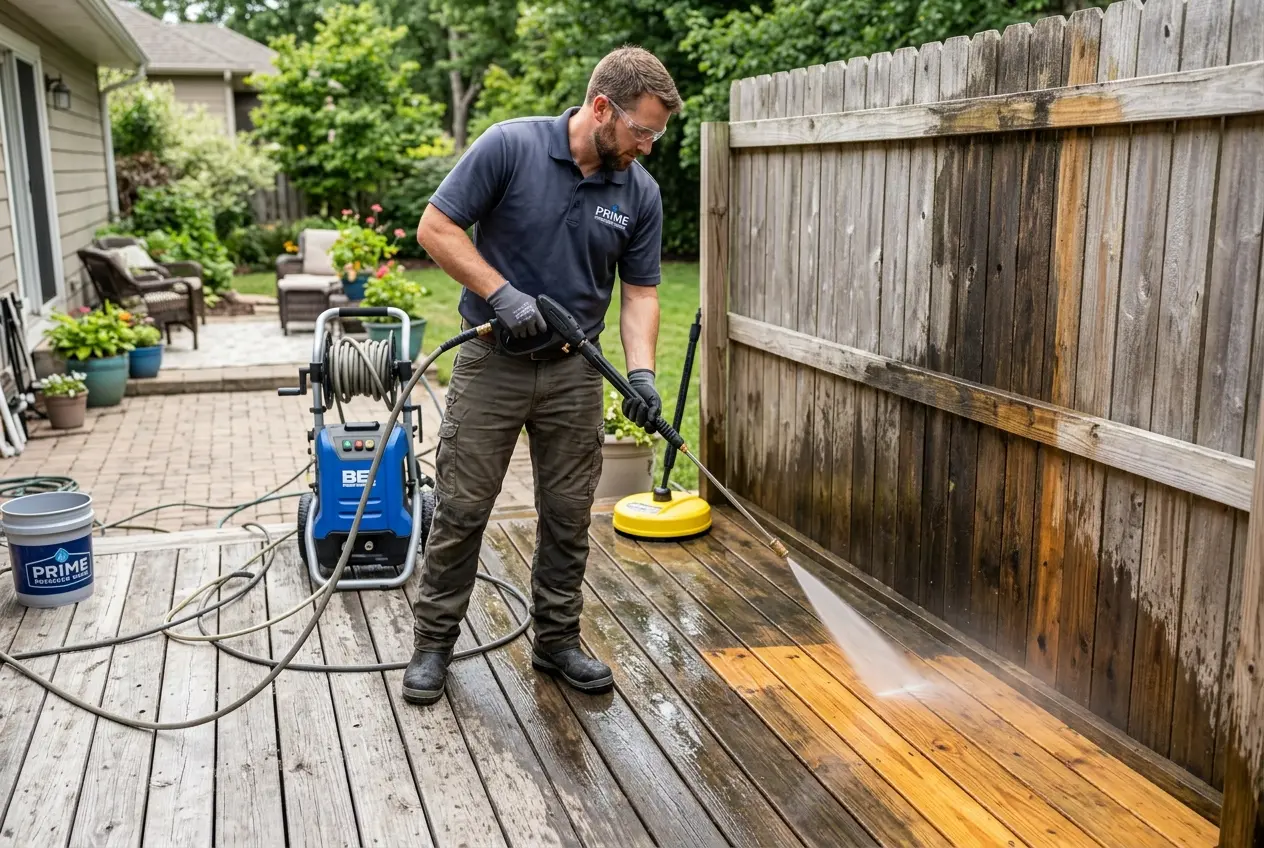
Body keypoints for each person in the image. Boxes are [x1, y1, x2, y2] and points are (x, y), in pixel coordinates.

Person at [402, 46, 681, 705]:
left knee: (568, 513)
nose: (647, 146)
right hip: (491, 363)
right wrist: (500, 293)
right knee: (463, 508)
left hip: (573, 372)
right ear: (602, 108)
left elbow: (641, 294)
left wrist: (641, 375)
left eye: (656, 134)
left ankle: (556, 640)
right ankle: (433, 644)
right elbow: (436, 228)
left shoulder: (639, 192)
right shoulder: (510, 147)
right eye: (642, 131)